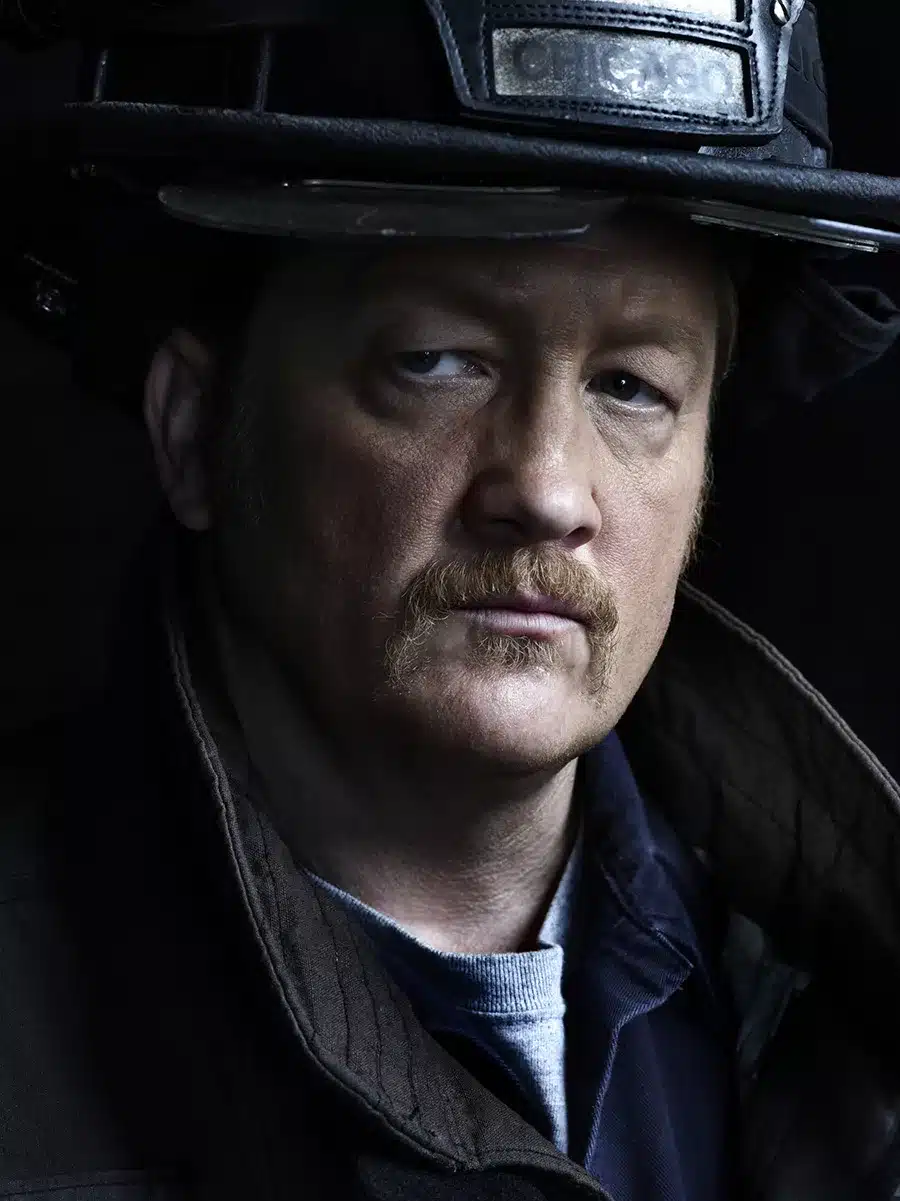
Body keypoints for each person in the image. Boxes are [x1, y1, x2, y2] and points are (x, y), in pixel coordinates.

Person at [4, 2, 900, 1199]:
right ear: (197, 431)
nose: (547, 489)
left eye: (632, 387)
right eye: (437, 361)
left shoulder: (835, 1000)